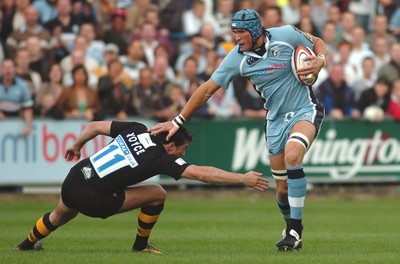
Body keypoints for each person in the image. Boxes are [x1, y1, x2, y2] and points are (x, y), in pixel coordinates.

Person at [148, 9, 327, 251]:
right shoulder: (236, 59)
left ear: (255, 30)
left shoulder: (285, 34)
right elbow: (206, 90)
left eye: (241, 32)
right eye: (234, 32)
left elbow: (316, 41)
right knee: (282, 190)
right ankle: (290, 226)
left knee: (293, 154)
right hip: (274, 120)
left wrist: (320, 60)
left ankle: (296, 230)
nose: (237, 37)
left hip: (305, 109)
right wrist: (177, 121)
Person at [14, 120, 268, 253]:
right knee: (157, 193)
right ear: (171, 145)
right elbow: (202, 174)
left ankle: (25, 246)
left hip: (75, 178)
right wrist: (242, 179)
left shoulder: (135, 129)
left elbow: (93, 127)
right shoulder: (161, 157)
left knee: (60, 214)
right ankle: (141, 246)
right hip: (94, 199)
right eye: (183, 148)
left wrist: (76, 145)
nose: (182, 153)